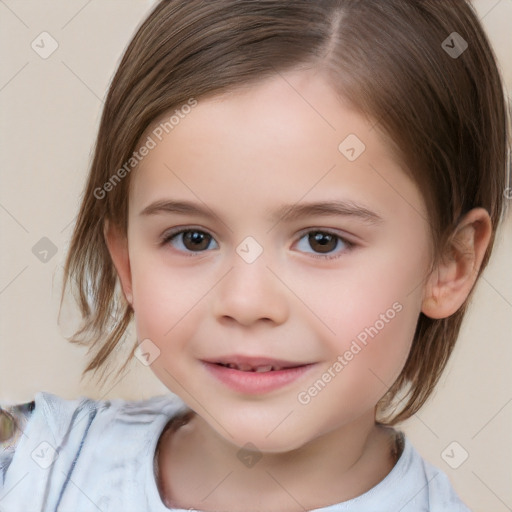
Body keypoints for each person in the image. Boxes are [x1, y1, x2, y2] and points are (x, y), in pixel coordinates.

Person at [1, 1, 509, 510]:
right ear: (127, 260)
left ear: (450, 264)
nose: (245, 302)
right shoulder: (28, 473)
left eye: (322, 241)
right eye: (193, 238)